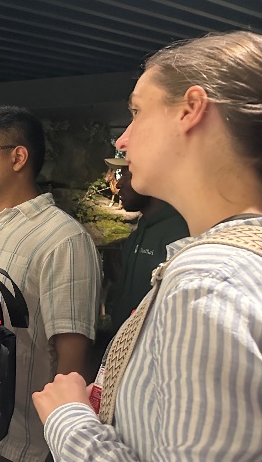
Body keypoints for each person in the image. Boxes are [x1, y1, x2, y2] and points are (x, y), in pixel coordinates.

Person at [33, 31, 262, 460]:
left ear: (191, 110)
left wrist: (68, 419)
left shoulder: (208, 283)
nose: (122, 140)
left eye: (137, 112)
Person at [0, 105, 101, 462]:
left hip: (20, 443)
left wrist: (61, 441)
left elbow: (72, 360)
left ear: (18, 157)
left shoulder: (63, 240)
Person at [104, 158, 189, 335]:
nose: (118, 184)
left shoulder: (180, 236)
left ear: (153, 178)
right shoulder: (138, 233)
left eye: (127, 175)